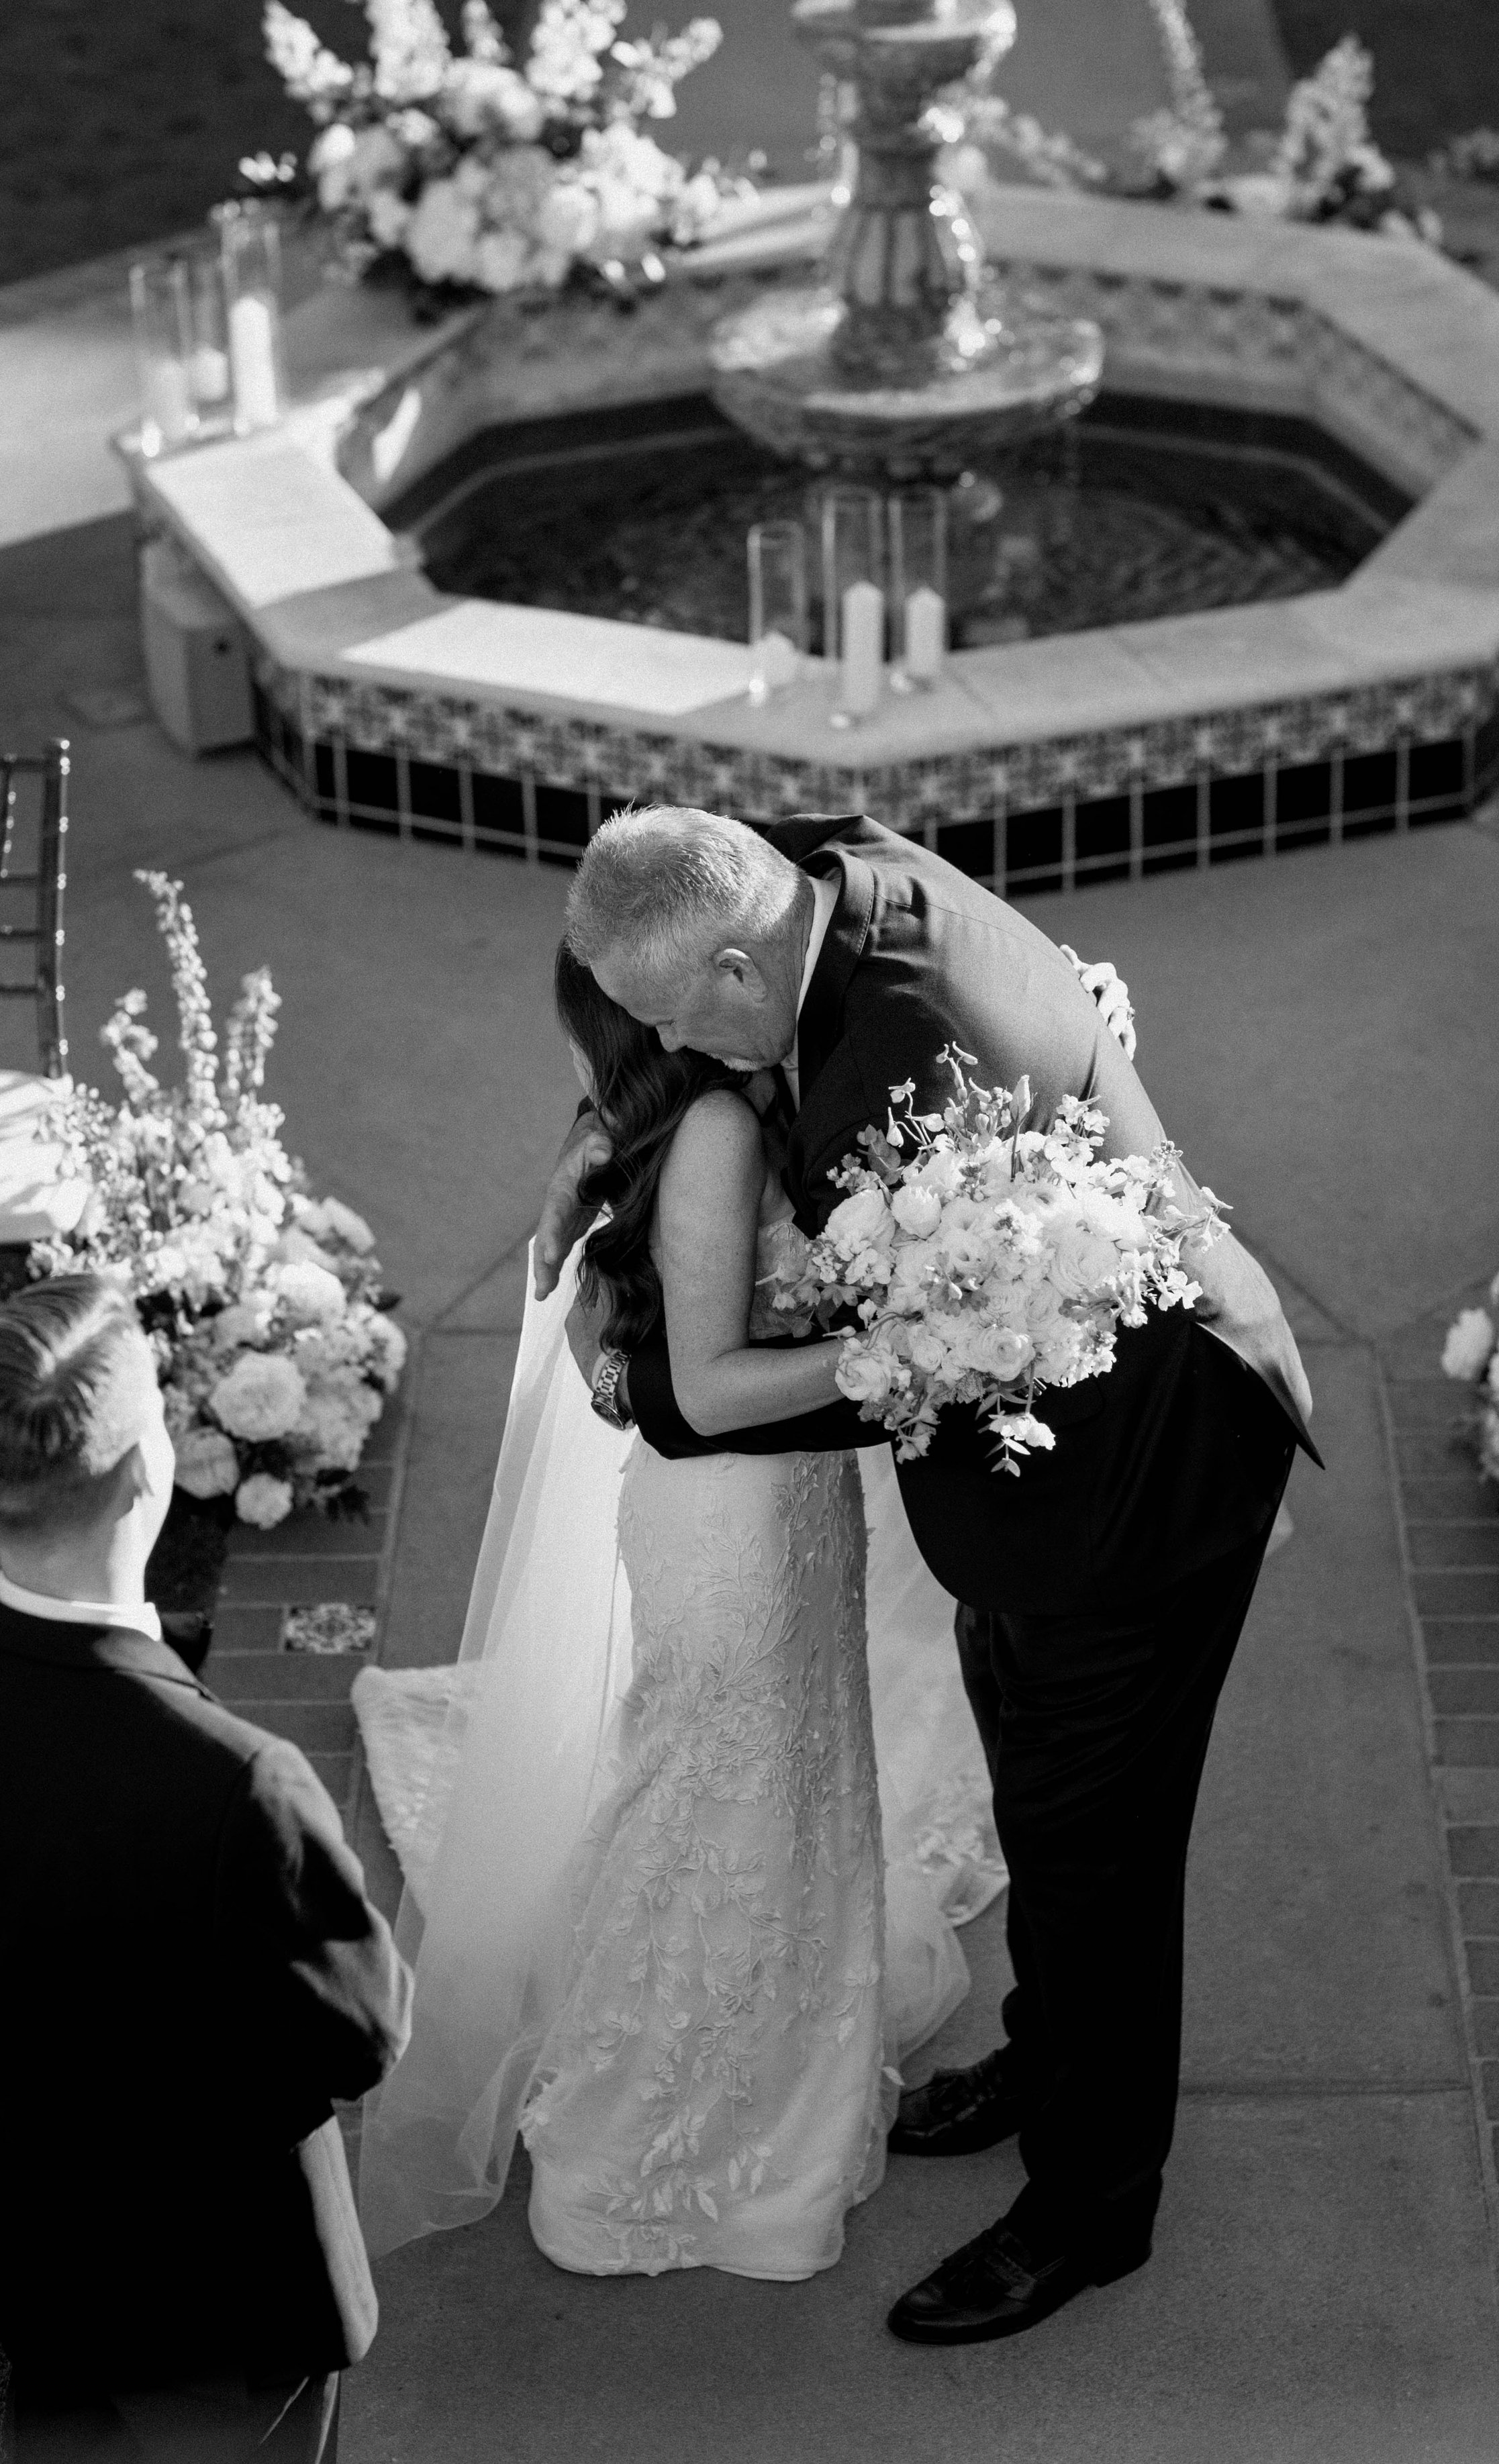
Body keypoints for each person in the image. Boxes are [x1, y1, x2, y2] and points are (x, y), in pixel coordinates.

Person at [538, 806, 1316, 2345]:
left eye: (675, 1021)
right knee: (1033, 1788)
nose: (669, 1054)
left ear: (747, 969)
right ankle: (1048, 2053)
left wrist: (688, 1386)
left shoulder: (895, 1078)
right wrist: (600, 1147)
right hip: (1035, 1474)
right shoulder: (829, 862)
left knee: (1095, 1858)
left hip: (1129, 1489)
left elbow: (940, 1351)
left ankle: (1090, 2210)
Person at [357, 948, 973, 2281]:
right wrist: (910, 1347)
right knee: (724, 1792)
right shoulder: (704, 1133)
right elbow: (687, 1391)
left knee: (764, 1782)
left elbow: (608, 1369)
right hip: (740, 1531)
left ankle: (766, 2045)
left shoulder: (649, 1130)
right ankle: (671, 2124)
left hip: (774, 1519)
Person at [0, 1274, 412, 2461]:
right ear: (148, 1474)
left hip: (37, 2287)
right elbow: (360, 2036)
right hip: (222, 2320)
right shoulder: (238, 1784)